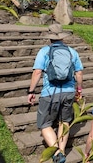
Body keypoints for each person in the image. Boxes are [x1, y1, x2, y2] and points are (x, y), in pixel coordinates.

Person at [27, 24, 84, 163]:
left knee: (44, 123)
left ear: (50, 37)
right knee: (64, 122)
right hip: (69, 91)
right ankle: (62, 150)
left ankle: (56, 151)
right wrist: (79, 90)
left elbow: (37, 72)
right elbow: (79, 72)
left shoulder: (44, 51)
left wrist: (31, 91)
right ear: (62, 36)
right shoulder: (72, 52)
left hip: (49, 92)